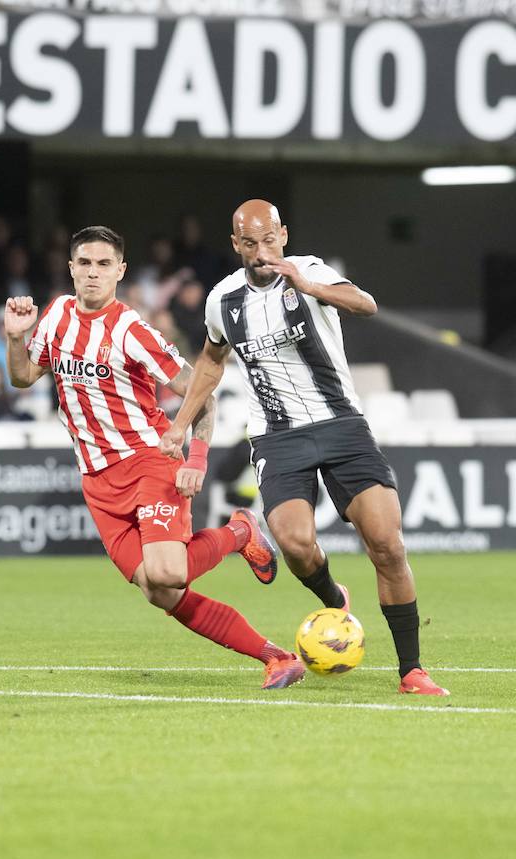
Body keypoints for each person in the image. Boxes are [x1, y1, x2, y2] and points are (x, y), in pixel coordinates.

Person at [160, 199, 449, 697]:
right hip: (278, 436)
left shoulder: (310, 271)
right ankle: (333, 596)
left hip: (341, 426)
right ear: (236, 245)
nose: (261, 251)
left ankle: (412, 671)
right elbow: (210, 363)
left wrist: (308, 286)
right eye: (249, 243)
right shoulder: (222, 300)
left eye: (269, 239)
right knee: (294, 543)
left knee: (387, 544)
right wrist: (180, 426)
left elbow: (366, 304)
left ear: (284, 235)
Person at [4, 225, 303, 690]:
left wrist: (196, 458)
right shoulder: (57, 316)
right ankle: (276, 656)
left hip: (149, 461)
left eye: (104, 265)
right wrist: (17, 338)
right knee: (161, 592)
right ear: (70, 268)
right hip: (97, 481)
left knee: (168, 570)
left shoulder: (132, 330)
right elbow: (23, 377)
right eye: (84, 263)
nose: (93, 273)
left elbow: (203, 393)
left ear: (120, 272)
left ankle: (240, 530)